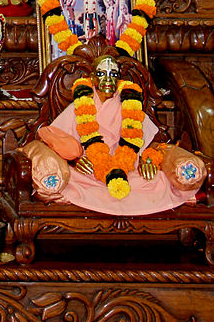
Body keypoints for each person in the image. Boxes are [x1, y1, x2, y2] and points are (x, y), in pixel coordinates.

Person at [25, 54, 207, 215]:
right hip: (90, 173)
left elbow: (152, 144)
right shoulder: (79, 106)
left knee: (156, 181)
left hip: (129, 171)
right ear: (92, 78)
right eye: (102, 73)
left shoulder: (130, 106)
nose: (108, 79)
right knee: (71, 181)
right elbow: (56, 142)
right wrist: (75, 161)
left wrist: (148, 160)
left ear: (119, 79)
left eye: (113, 74)